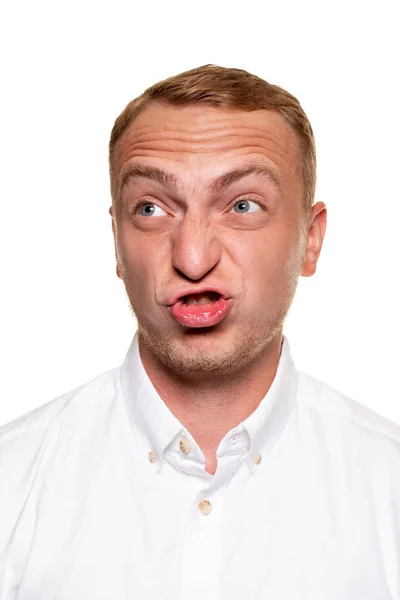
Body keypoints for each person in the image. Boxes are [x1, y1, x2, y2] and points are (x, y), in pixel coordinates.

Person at [0, 65, 399, 600]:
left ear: (311, 240)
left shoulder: (388, 487)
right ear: (116, 241)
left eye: (242, 206)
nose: (193, 257)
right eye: (151, 208)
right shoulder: (13, 481)